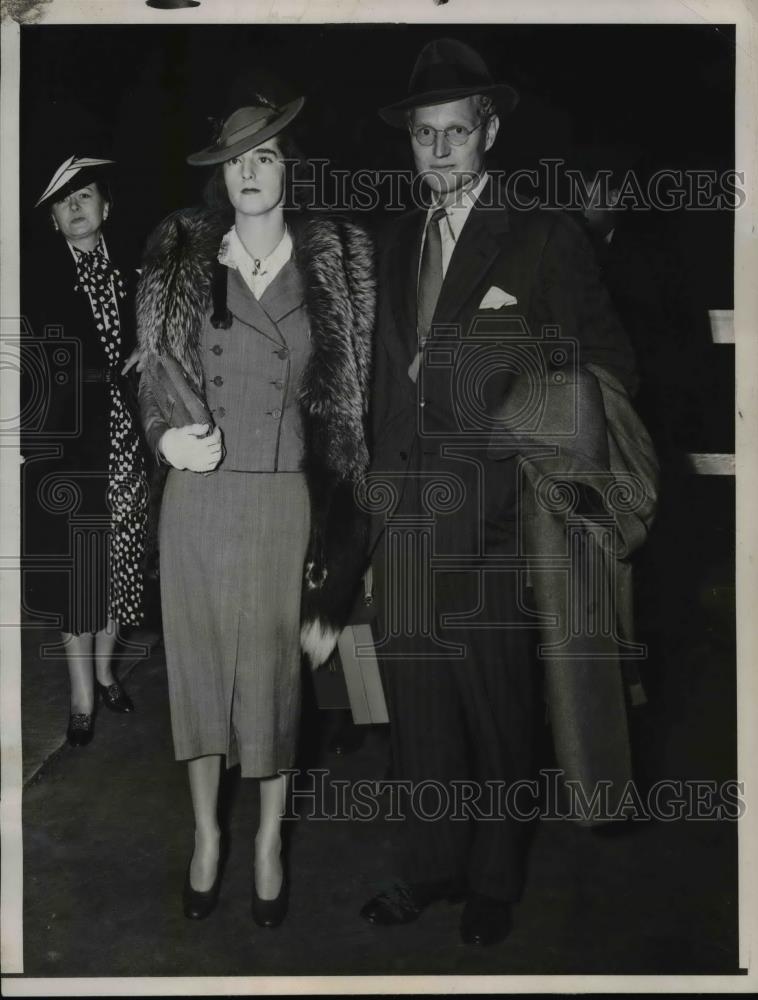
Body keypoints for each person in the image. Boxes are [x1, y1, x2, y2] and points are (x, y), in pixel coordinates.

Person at [362, 38, 641, 946]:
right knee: (420, 715)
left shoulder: (542, 233)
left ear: (487, 133)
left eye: (454, 133)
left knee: (497, 708)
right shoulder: (396, 242)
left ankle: (495, 875)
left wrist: (506, 395)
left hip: (494, 516)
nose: (437, 152)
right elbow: (376, 391)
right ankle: (428, 865)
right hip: (403, 519)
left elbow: (605, 366)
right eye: (423, 136)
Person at [136, 94, 373, 926]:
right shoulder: (180, 259)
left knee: (275, 687)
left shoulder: (334, 267)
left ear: (289, 168)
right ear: (221, 174)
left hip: (283, 504)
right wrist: (166, 441)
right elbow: (152, 378)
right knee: (200, 680)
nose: (250, 170)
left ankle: (269, 841)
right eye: (237, 157)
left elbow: (348, 414)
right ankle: (206, 835)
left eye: (266, 155)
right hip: (198, 499)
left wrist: (342, 549)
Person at [23, 154, 149, 747]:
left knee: (120, 569)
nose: (74, 208)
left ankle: (104, 673)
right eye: (62, 203)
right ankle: (80, 701)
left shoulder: (133, 275)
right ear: (53, 221)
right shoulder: (37, 283)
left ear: (106, 208)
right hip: (69, 451)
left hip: (127, 447)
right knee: (80, 574)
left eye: (85, 197)